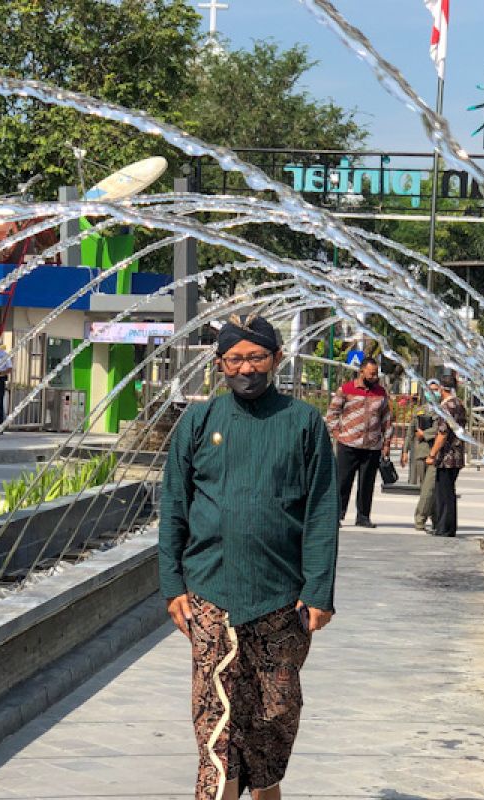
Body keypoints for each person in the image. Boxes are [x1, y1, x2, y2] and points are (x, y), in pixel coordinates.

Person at [159, 313, 338, 800]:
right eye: (234, 358)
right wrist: (173, 585)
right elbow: (174, 503)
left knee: (273, 719)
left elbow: (322, 510)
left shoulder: (302, 422)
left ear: (276, 359)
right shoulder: (199, 421)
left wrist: (318, 591)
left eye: (256, 356)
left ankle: (264, 787)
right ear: (219, 365)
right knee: (215, 725)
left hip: (281, 601)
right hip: (211, 594)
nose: (246, 368)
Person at [326, 356, 392, 528]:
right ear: (361, 372)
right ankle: (337, 515)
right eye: (371, 374)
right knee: (343, 481)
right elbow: (332, 413)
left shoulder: (381, 392)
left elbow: (386, 418)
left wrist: (387, 443)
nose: (374, 376)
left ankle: (363, 516)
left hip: (372, 445)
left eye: (376, 374)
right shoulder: (346, 389)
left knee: (367, 483)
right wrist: (337, 433)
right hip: (348, 443)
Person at [425, 374, 467, 537]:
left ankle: (444, 528)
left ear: (442, 388)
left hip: (446, 456)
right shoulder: (459, 404)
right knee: (449, 491)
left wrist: (432, 454)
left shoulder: (446, 407)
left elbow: (442, 433)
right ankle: (448, 527)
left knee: (444, 493)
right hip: (457, 454)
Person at [411, 379, 442, 531]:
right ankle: (435, 519)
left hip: (434, 453)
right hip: (420, 453)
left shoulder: (443, 411)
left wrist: (426, 434)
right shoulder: (419, 411)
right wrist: (404, 451)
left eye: (436, 390)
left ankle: (420, 519)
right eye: (430, 390)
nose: (433, 393)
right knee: (425, 488)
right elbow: (411, 431)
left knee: (428, 489)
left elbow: (440, 431)